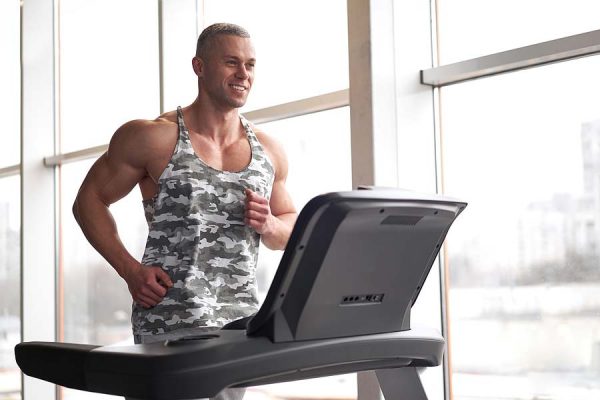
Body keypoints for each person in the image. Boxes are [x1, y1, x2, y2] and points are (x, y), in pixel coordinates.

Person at [72, 23, 297, 400]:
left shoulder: (268, 151)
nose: (243, 74)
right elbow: (88, 202)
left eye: (250, 64)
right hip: (169, 319)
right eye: (231, 62)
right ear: (199, 66)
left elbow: (291, 227)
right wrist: (130, 271)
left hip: (239, 325)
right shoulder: (153, 137)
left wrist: (271, 225)